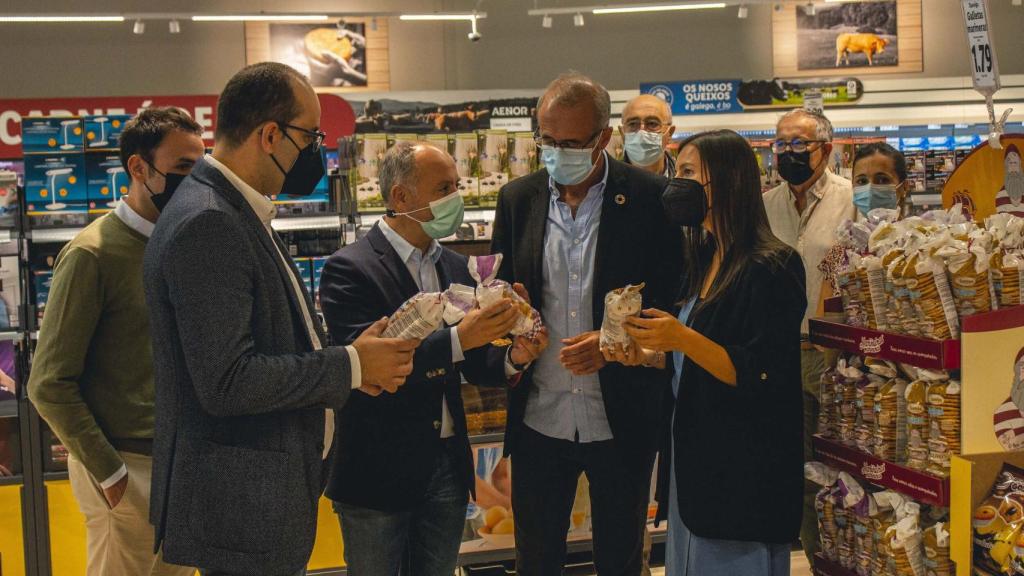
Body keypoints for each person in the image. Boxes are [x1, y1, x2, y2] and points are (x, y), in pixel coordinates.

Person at [143, 62, 419, 576]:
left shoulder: (234, 208)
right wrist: (351, 366)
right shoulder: (210, 221)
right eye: (310, 136)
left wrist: (353, 353)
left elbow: (265, 338)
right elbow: (227, 381)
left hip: (256, 503)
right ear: (270, 134)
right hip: (243, 510)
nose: (315, 150)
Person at [319, 142, 549, 576]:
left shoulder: (458, 267)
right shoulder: (349, 269)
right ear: (401, 197)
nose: (456, 199)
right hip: (377, 471)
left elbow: (475, 361)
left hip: (445, 465)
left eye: (457, 186)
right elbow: (372, 367)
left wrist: (514, 356)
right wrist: (460, 338)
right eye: (444, 188)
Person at [491, 71, 683, 576]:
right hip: (541, 416)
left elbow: (673, 298)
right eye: (547, 141)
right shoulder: (517, 199)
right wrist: (513, 313)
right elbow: (503, 288)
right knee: (535, 557)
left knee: (620, 557)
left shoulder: (651, 199)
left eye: (571, 143)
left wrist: (614, 340)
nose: (556, 153)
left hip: (619, 414)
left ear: (603, 139)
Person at [612, 129, 805, 575]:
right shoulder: (701, 258)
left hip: (741, 473)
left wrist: (680, 338)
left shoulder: (772, 266)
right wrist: (650, 353)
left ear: (727, 179)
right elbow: (693, 359)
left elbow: (762, 373)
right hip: (694, 463)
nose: (676, 184)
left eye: (686, 172)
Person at [27, 107, 204, 576]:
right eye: (183, 167)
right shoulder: (92, 254)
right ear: (138, 168)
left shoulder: (182, 247)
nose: (195, 181)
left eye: (199, 167)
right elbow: (48, 383)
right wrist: (110, 473)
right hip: (127, 466)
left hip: (181, 462)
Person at [762, 108, 853, 565]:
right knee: (794, 471)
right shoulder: (764, 205)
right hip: (777, 353)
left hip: (836, 356)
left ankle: (849, 559)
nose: (788, 153)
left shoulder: (851, 200)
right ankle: (817, 559)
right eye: (781, 144)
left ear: (827, 148)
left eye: (799, 144)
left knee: (843, 467)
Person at [816, 142, 909, 315]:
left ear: (904, 187)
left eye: (882, 180)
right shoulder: (840, 253)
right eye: (862, 181)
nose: (870, 188)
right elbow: (824, 322)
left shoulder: (918, 247)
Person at [619, 94, 676, 178]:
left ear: (669, 133)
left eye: (652, 123)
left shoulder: (687, 183)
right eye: (633, 124)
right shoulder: (605, 184)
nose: (641, 132)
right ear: (622, 133)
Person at [996, 144, 1024, 217]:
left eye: (1015, 163)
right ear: (1006, 166)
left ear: (1020, 164)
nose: (1013, 166)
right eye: (1010, 163)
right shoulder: (1000, 196)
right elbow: (1004, 224)